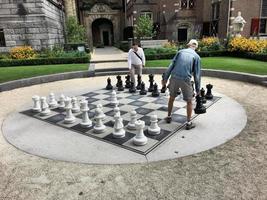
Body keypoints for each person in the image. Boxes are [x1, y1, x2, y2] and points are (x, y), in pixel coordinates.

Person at [162, 39, 201, 130]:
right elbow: (197, 75)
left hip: (174, 77)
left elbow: (171, 65)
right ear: (196, 47)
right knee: (189, 101)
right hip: (185, 79)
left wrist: (165, 79)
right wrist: (198, 89)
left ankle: (168, 116)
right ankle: (188, 123)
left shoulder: (180, 52)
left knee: (171, 98)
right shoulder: (197, 57)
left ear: (188, 45)